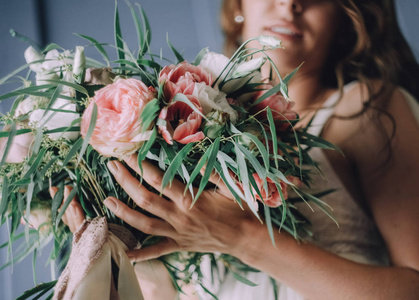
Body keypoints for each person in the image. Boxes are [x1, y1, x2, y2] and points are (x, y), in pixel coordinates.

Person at [62, 0, 419, 299]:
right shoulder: (179, 131)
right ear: (238, 5)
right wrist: (119, 255)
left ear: (346, 16)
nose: (290, 4)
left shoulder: (366, 110)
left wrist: (242, 237)